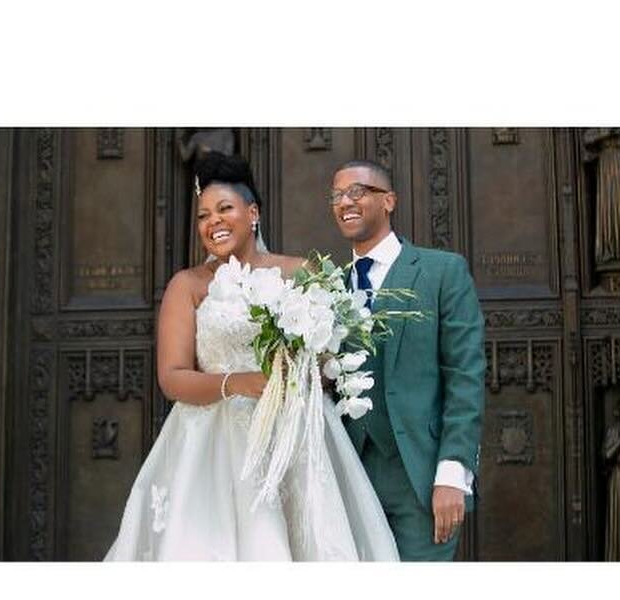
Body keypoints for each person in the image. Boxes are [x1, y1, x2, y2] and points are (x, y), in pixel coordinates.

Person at [105, 153, 399, 561]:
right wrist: (238, 382)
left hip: (292, 435)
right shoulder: (187, 286)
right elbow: (172, 377)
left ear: (253, 212)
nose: (214, 222)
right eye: (204, 215)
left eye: (225, 209)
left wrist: (307, 370)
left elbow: (328, 360)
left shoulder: (300, 273)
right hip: (211, 444)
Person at [330, 160, 485, 561]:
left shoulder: (441, 272)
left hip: (421, 477)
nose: (345, 201)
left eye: (357, 191)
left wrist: (453, 475)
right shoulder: (326, 288)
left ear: (389, 201)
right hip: (348, 477)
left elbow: (465, 376)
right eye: (337, 195)